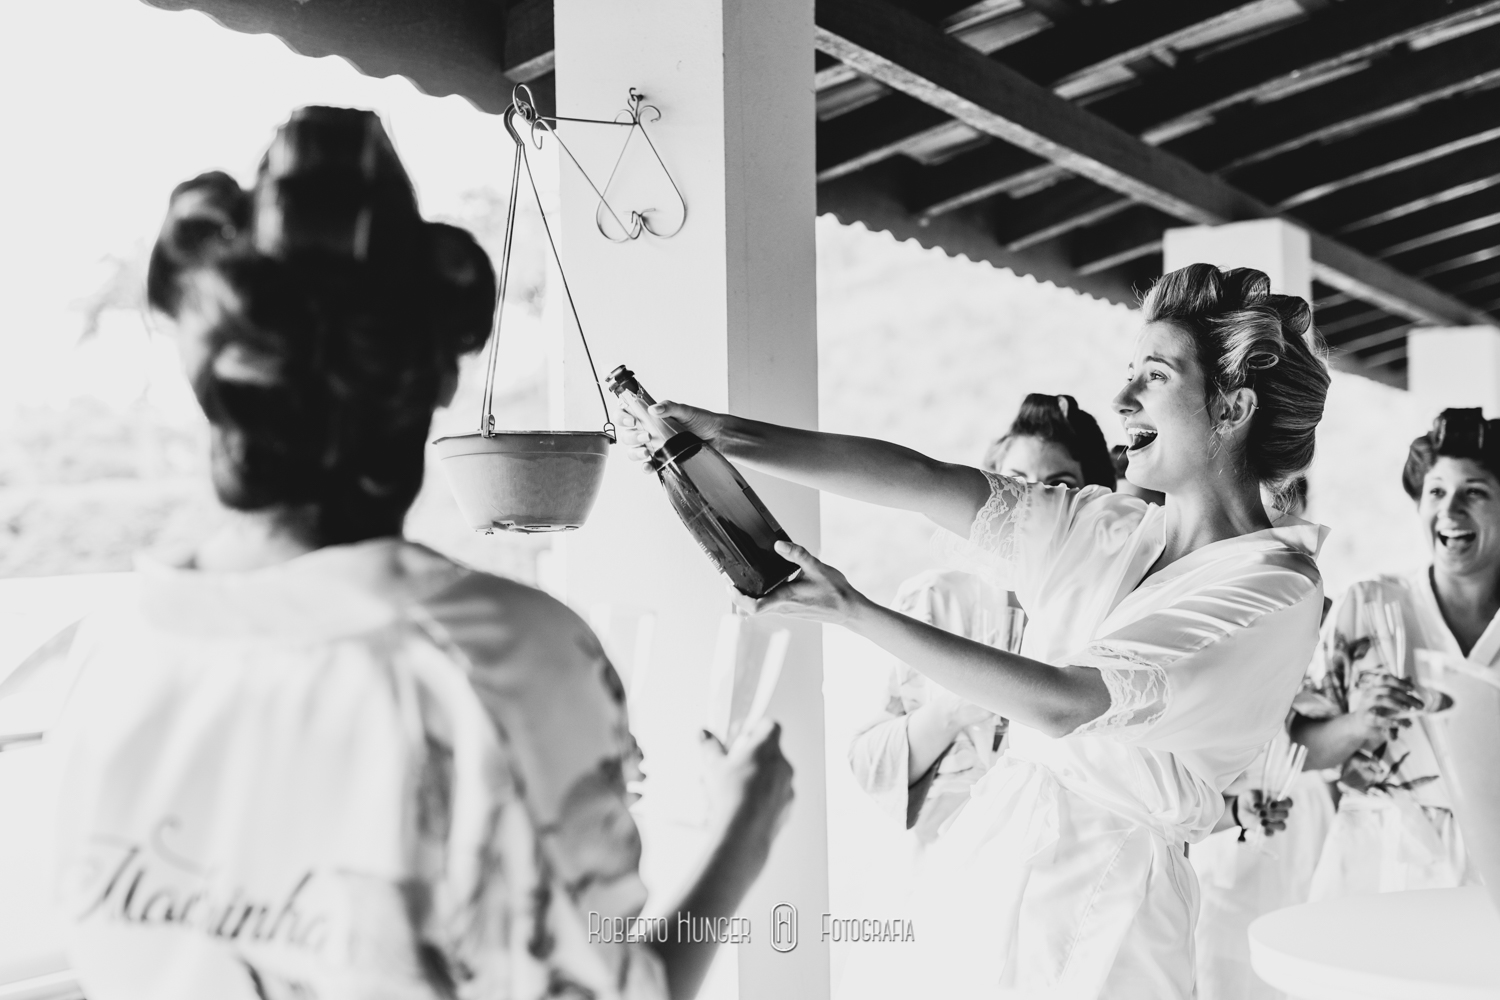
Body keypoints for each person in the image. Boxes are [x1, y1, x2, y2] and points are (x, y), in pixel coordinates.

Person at [47, 108, 792, 1000]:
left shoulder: (107, 654)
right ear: (440, 375)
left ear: (219, 373)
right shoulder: (495, 653)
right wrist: (738, 836)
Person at [622, 263, 1330, 998]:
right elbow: (926, 480)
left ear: (1232, 406)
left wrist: (853, 610)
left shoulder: (1273, 584)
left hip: (1113, 914)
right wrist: (725, 437)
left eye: (1153, 375)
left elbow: (1067, 702)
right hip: (987, 860)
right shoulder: (1106, 525)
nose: (1120, 398)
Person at [848, 394, 1116, 844]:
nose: (1033, 503)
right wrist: (956, 706)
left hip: (1063, 863)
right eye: (1015, 482)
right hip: (946, 859)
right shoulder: (933, 600)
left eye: (1058, 486)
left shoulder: (1106, 616)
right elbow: (869, 763)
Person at [1293, 407, 1499, 898]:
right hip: (1379, 869)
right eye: (1436, 493)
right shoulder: (1370, 606)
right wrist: (1360, 724)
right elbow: (1296, 751)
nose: (1450, 513)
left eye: (1474, 492)